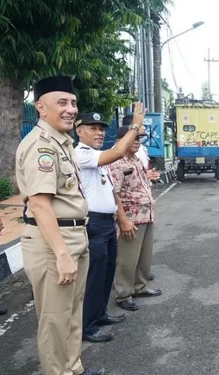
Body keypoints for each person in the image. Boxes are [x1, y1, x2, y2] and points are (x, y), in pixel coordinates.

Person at [16, 75, 104, 375]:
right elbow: (40, 205)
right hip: (53, 243)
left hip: (74, 235)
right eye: (62, 102)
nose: (70, 109)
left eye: (73, 103)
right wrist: (62, 254)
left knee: (72, 313)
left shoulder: (62, 141)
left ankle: (73, 368)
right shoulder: (40, 147)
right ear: (40, 107)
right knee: (54, 319)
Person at [74, 105, 146, 343]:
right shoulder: (82, 154)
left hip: (106, 222)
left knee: (106, 274)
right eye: (92, 128)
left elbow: (111, 188)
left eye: (101, 129)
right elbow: (118, 152)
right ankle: (87, 325)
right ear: (79, 131)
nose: (99, 133)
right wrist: (135, 125)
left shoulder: (97, 155)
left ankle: (100, 314)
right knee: (94, 276)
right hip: (93, 223)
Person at [109, 127, 162, 312]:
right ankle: (123, 293)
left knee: (144, 257)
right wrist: (122, 220)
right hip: (131, 218)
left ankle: (140, 287)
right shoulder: (116, 162)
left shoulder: (136, 159)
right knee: (127, 258)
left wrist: (150, 179)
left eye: (139, 138)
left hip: (146, 214)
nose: (137, 141)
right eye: (133, 138)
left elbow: (140, 184)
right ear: (121, 140)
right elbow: (113, 192)